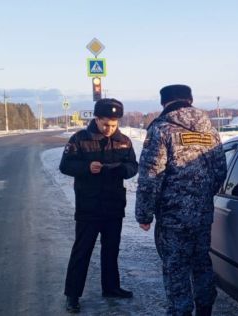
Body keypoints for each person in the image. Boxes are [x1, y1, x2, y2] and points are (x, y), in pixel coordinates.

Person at [135, 85, 227, 316]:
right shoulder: (210, 131)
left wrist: (144, 214)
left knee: (176, 269)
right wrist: (202, 197)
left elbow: (150, 176)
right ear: (191, 100)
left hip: (173, 218)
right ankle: (205, 310)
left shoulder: (161, 129)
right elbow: (220, 172)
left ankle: (180, 312)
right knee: (201, 263)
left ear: (164, 104)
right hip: (203, 215)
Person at [59, 98, 138, 313]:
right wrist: (86, 167)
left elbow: (133, 166)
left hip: (114, 206)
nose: (109, 129)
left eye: (114, 125)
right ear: (96, 119)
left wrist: (123, 170)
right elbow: (65, 165)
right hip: (88, 206)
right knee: (82, 251)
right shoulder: (80, 139)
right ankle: (72, 295)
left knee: (111, 250)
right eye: (105, 124)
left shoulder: (124, 141)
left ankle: (111, 287)